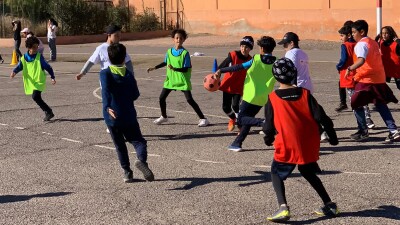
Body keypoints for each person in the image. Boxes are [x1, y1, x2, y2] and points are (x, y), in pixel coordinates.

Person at [263, 58, 339, 222]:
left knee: (276, 174)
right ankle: (329, 204)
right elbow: (322, 117)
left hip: (288, 144)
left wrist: (268, 138)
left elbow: (268, 126)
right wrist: (332, 137)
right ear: (294, 74)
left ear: (275, 78)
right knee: (308, 172)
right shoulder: (305, 94)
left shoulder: (273, 98)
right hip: (308, 144)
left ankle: (283, 208)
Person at [100, 43, 154, 183]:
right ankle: (141, 160)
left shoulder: (105, 73)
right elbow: (136, 94)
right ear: (124, 58)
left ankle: (127, 173)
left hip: (112, 116)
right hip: (128, 114)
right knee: (139, 141)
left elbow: (105, 91)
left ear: (109, 58)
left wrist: (107, 107)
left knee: (120, 145)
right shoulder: (128, 74)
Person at [214, 36, 277, 152]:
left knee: (242, 119)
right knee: (248, 119)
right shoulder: (276, 62)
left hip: (250, 96)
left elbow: (238, 67)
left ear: (262, 48)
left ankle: (264, 123)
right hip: (263, 98)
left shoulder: (256, 59)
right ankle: (237, 143)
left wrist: (221, 70)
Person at [345, 19, 400, 142]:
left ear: (362, 31)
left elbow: (361, 60)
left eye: (354, 32)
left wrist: (350, 68)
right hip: (378, 78)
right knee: (380, 104)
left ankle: (363, 130)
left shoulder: (361, 44)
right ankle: (393, 130)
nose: (353, 35)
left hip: (366, 79)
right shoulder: (373, 42)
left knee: (356, 103)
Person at [147, 29, 210, 127]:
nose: (178, 40)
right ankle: (164, 116)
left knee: (189, 100)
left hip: (182, 80)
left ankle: (203, 119)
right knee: (161, 98)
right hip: (171, 80)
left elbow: (185, 69)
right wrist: (154, 67)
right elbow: (165, 62)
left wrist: (174, 68)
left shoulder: (185, 53)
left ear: (184, 39)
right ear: (173, 39)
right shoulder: (169, 51)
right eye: (176, 38)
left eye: (181, 38)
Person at [336, 25, 375, 129]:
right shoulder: (358, 43)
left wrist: (338, 66)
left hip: (348, 75)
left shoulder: (345, 45)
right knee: (362, 97)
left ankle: (362, 125)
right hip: (359, 73)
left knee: (354, 100)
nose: (340, 38)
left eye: (341, 35)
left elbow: (343, 60)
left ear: (348, 35)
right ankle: (368, 119)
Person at [10, 36, 56, 121]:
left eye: (37, 47)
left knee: (35, 96)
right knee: (37, 97)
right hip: (31, 81)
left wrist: (52, 77)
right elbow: (20, 66)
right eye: (34, 47)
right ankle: (48, 111)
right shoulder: (24, 58)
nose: (36, 49)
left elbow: (48, 67)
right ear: (28, 47)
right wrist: (14, 72)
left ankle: (48, 111)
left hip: (39, 80)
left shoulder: (39, 57)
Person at [217, 36, 253, 131]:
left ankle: (240, 126)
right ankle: (233, 119)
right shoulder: (233, 55)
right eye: (242, 46)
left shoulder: (251, 60)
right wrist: (216, 76)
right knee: (225, 107)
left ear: (250, 49)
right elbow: (221, 67)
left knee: (235, 105)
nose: (244, 49)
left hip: (238, 86)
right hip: (228, 84)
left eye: (247, 47)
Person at [376, 26, 400, 90]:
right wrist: (378, 37)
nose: (384, 35)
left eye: (386, 33)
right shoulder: (381, 42)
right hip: (386, 69)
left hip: (397, 70)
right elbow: (373, 44)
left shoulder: (396, 44)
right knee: (381, 85)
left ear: (390, 34)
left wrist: (399, 42)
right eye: (383, 33)